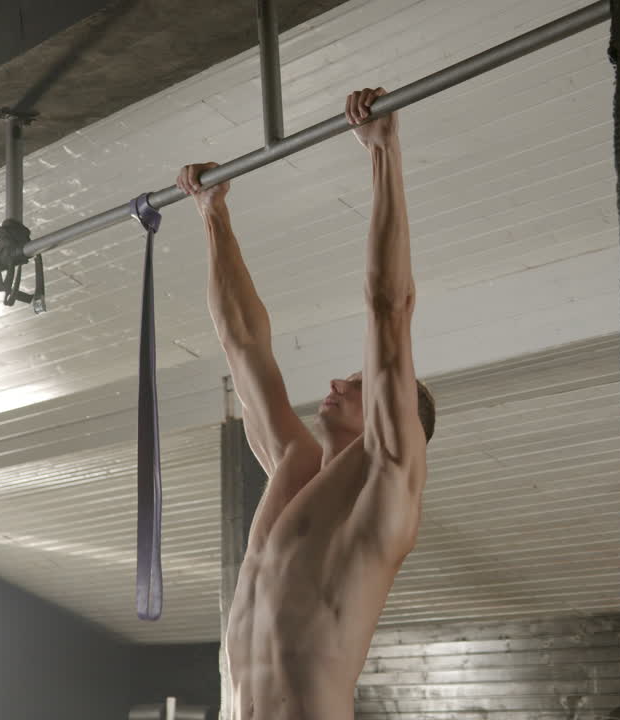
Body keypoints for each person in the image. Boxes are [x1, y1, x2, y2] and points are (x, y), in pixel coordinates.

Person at [178, 87, 434, 720]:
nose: (339, 385)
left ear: (395, 414)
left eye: (359, 382)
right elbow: (242, 344)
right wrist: (213, 214)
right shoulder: (293, 463)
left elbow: (389, 308)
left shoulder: (389, 486)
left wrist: (383, 153)